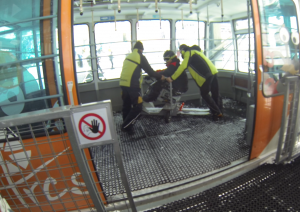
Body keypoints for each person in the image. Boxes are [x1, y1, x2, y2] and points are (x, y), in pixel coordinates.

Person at [166, 44, 223, 121]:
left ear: (182, 50)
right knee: (215, 93)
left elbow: (183, 66)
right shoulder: (196, 52)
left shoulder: (188, 53)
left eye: (180, 52)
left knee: (204, 94)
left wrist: (172, 77)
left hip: (206, 75)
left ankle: (216, 112)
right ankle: (220, 112)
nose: (180, 54)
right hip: (214, 72)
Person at [120, 41, 165, 134]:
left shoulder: (128, 56)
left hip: (123, 84)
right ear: (141, 49)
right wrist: (161, 77)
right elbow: (150, 71)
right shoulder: (140, 56)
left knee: (127, 105)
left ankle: (126, 125)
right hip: (132, 86)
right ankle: (126, 126)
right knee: (138, 107)